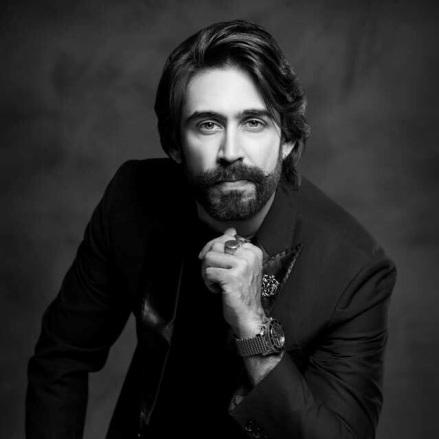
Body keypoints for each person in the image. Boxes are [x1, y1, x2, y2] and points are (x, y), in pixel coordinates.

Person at [26, 20, 396, 439]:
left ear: (288, 140)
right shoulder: (132, 199)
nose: (231, 152)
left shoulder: (353, 269)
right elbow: (62, 355)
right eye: (208, 125)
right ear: (174, 144)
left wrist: (253, 327)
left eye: (253, 122)